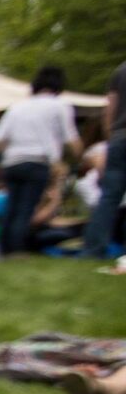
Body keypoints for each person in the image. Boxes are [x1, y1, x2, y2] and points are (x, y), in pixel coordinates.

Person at [0, 66, 81, 254]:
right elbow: (71, 138)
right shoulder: (60, 105)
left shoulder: (17, 107)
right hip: (37, 161)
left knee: (12, 206)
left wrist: (11, 153)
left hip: (12, 162)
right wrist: (79, 156)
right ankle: (16, 250)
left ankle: (3, 248)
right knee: (25, 207)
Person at [82, 59, 126, 259]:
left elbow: (109, 109)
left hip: (119, 138)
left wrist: (110, 141)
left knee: (108, 197)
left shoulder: (120, 70)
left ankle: (93, 250)